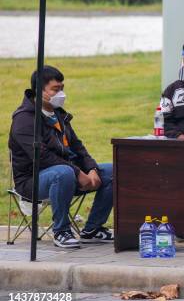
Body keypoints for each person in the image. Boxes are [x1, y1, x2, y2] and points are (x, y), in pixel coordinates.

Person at [9, 66, 113, 248]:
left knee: (113, 171)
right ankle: (61, 231)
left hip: (68, 174)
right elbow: (41, 156)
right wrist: (76, 171)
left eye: (62, 88)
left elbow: (78, 147)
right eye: (56, 90)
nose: (61, 94)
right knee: (63, 173)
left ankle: (93, 229)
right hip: (31, 181)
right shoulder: (24, 119)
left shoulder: (59, 115)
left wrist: (92, 169)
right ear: (39, 91)